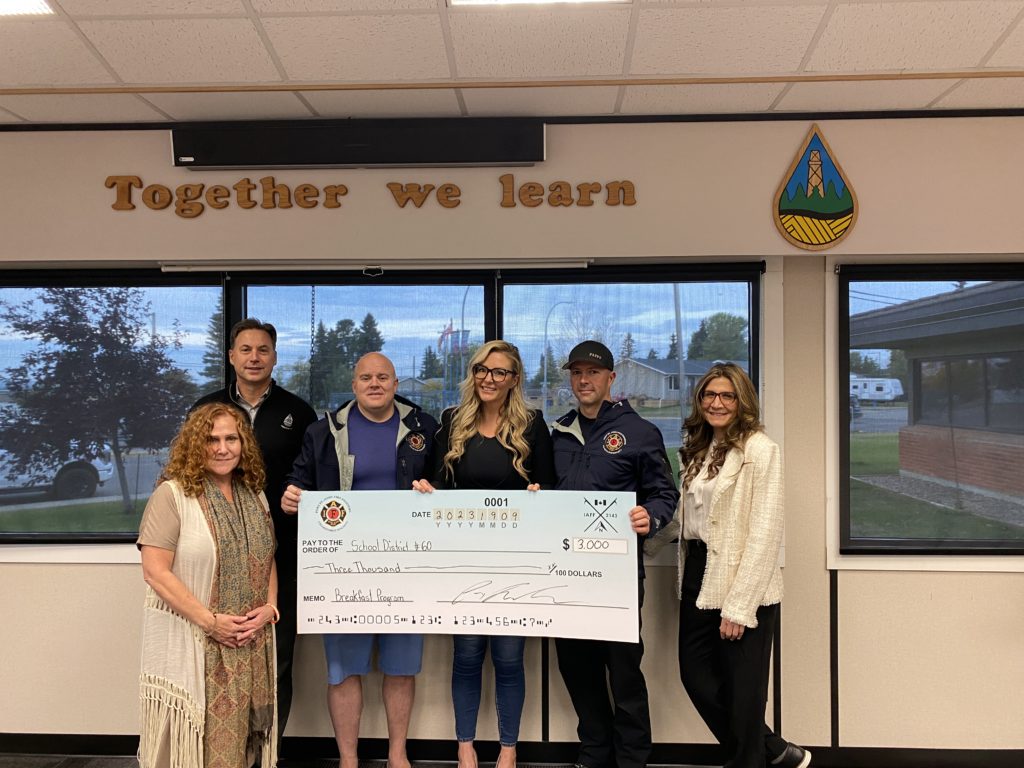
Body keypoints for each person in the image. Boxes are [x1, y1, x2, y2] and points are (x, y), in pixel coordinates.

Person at [647, 362, 810, 768]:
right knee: (695, 676)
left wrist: (740, 606)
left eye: (727, 396)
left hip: (740, 578)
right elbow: (687, 518)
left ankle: (751, 760)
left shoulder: (759, 449)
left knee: (743, 692)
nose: (716, 403)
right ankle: (773, 751)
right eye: (708, 395)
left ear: (742, 402)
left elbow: (765, 531)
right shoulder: (698, 449)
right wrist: (642, 533)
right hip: (697, 575)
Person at [282, 352, 438, 768]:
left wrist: (434, 489)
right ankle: (348, 760)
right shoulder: (322, 432)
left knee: (401, 668)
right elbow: (299, 481)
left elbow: (448, 482)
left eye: (383, 377)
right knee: (344, 670)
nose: (374, 384)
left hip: (407, 569)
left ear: (395, 382)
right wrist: (292, 494)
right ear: (353, 384)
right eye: (366, 377)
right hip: (341, 573)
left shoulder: (424, 428)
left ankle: (397, 755)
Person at [413, 340, 555, 768]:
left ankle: (508, 749)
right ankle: (464, 744)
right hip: (464, 562)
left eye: (499, 372)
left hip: (517, 564)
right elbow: (435, 482)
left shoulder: (533, 425)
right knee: (468, 655)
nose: (488, 379)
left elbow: (551, 488)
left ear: (514, 380)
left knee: (510, 658)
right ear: (472, 373)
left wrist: (539, 493)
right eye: (481, 369)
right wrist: (425, 490)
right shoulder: (452, 421)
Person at [550, 340, 678, 768]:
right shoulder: (559, 431)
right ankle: (594, 754)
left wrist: (652, 517)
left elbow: (664, 493)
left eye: (593, 373)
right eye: (577, 373)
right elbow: (547, 496)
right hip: (565, 576)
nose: (584, 380)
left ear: (610, 379)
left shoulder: (640, 432)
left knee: (623, 673)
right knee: (577, 670)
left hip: (617, 577)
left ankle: (632, 759)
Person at [193, 317, 317, 742]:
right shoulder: (206, 410)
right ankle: (219, 749)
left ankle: (268, 751)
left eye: (262, 350)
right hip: (216, 558)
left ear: (274, 357)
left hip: (281, 556)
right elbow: (187, 472)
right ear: (231, 356)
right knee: (218, 655)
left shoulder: (297, 412)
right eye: (245, 349)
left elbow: (314, 477)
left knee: (277, 658)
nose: (254, 357)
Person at [137, 402, 278, 768]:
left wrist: (270, 608)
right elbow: (155, 571)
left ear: (243, 443)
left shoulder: (254, 494)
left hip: (250, 641)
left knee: (245, 749)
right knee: (192, 749)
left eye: (231, 438)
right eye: (211, 439)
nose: (222, 448)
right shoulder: (172, 496)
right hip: (198, 640)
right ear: (194, 445)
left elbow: (267, 557)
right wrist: (210, 621)